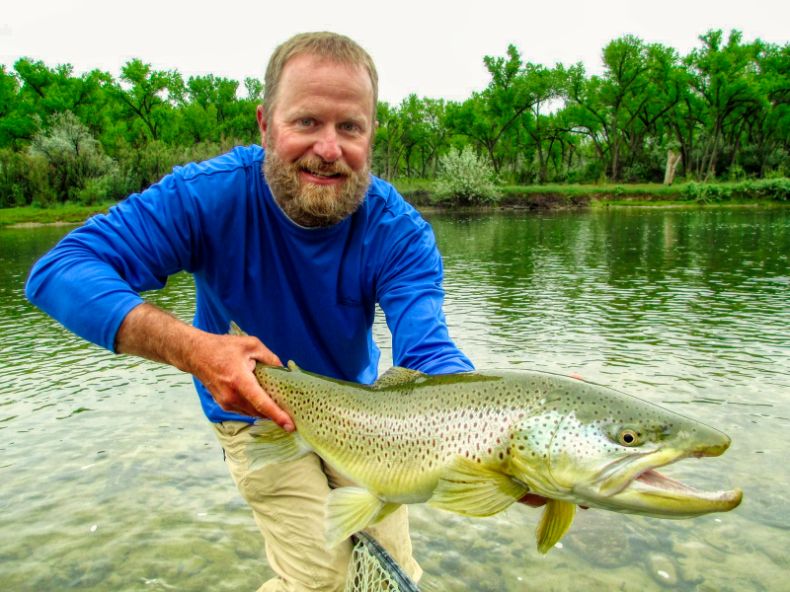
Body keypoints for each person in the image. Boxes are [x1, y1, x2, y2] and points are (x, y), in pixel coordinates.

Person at [25, 32, 475, 591]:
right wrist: (195, 350)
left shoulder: (399, 232)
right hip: (252, 412)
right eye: (306, 122)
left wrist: (505, 431)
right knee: (320, 581)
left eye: (350, 127)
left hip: (363, 417)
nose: (329, 149)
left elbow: (430, 356)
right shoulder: (206, 197)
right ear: (265, 124)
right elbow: (61, 271)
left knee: (392, 573)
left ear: (372, 133)